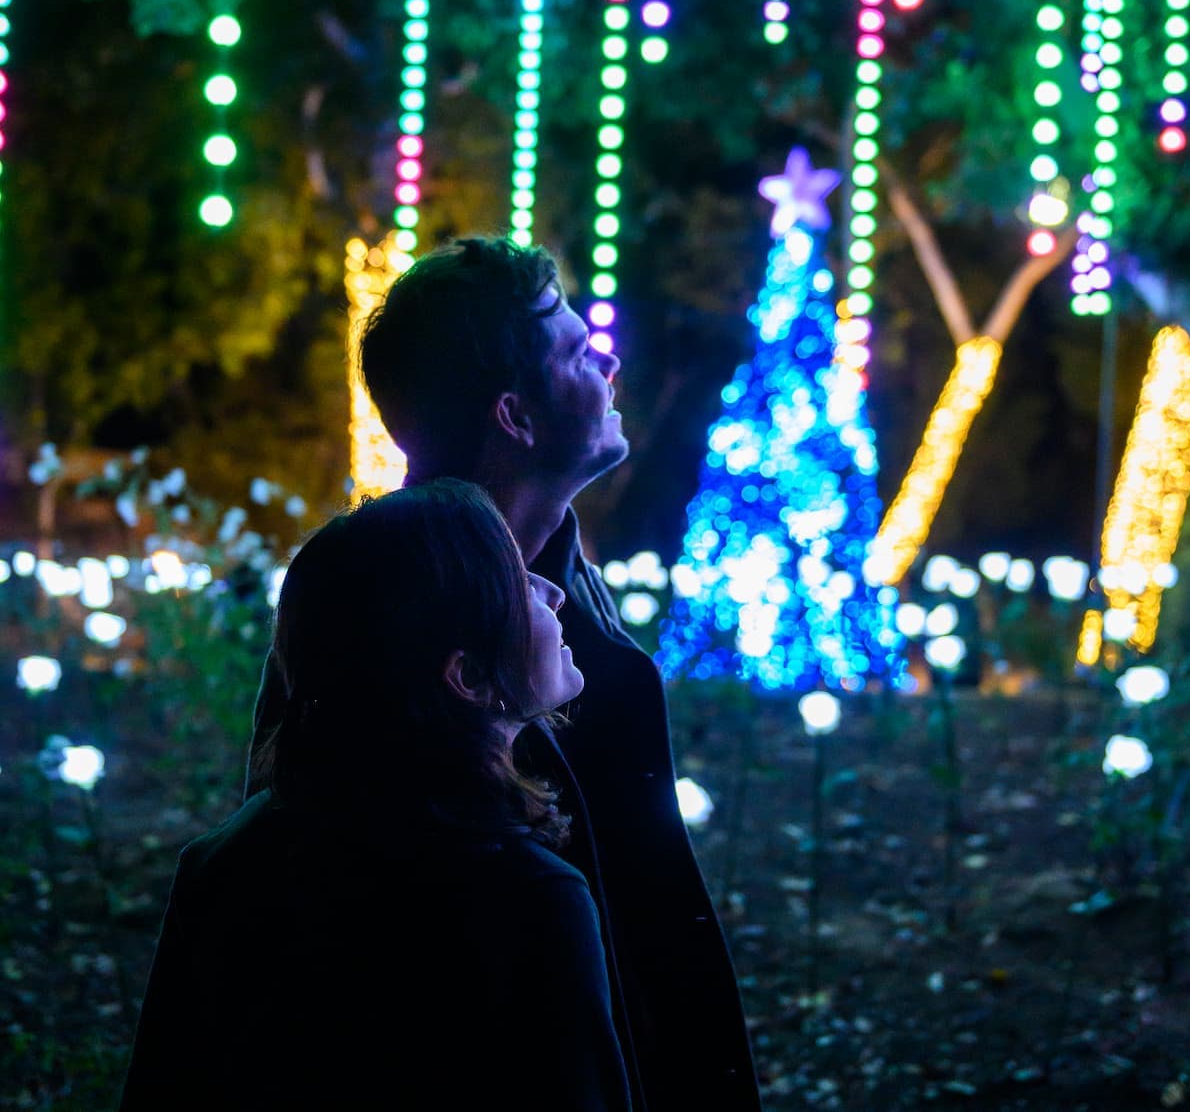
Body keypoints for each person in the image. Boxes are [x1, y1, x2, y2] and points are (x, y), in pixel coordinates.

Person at [247, 237, 761, 1112]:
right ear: (516, 417)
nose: (608, 361)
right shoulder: (374, 613)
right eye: (574, 350)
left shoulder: (566, 585)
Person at [122, 481, 632, 1112]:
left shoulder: (229, 860)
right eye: (519, 582)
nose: (551, 591)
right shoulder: (528, 900)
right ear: (467, 675)